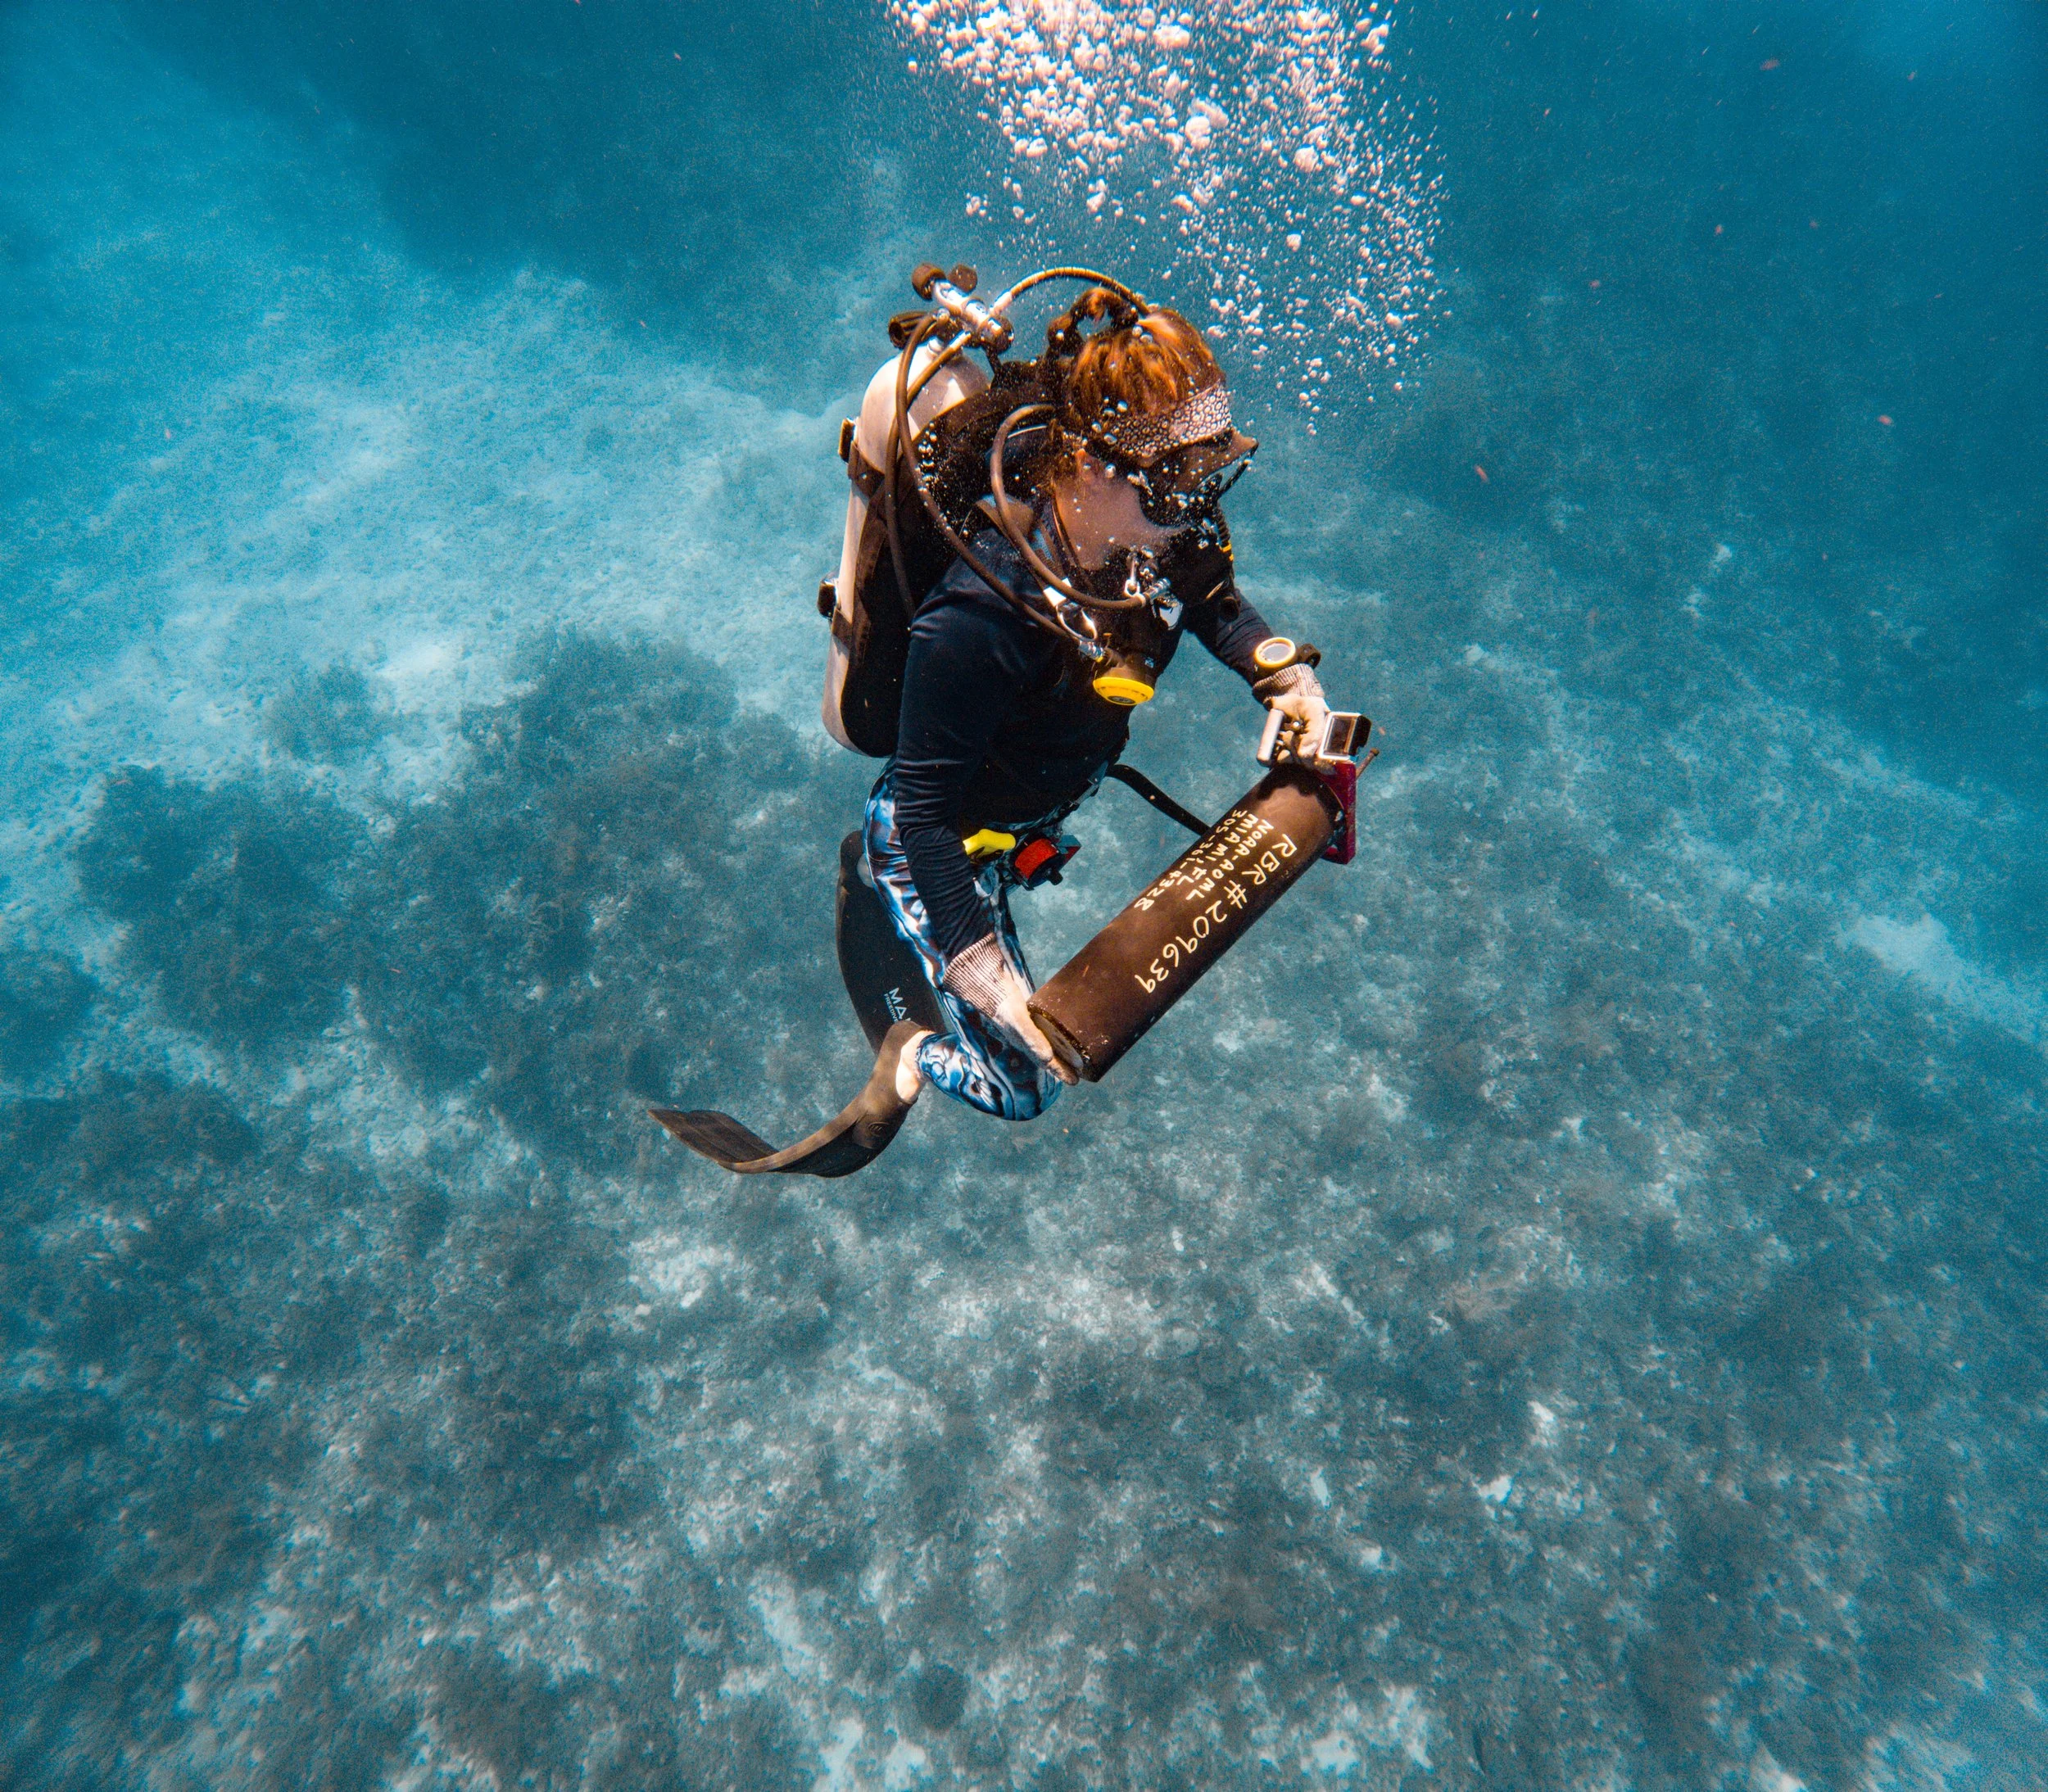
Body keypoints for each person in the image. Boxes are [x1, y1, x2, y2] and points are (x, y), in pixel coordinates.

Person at [863, 293, 1334, 1127]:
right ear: (1087, 463)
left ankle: (999, 880)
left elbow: (1214, 599)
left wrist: (1283, 675)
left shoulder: (1158, 530)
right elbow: (925, 810)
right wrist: (978, 964)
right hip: (928, 838)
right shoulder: (980, 616)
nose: (1190, 513)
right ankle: (915, 1046)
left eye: (1205, 478)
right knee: (1025, 1088)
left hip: (1020, 813)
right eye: (1170, 487)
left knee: (1011, 880)